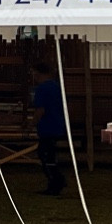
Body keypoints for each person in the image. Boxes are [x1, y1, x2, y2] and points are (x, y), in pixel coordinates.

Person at [31, 60, 67, 195]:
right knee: (49, 153)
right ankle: (56, 180)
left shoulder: (41, 89)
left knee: (45, 155)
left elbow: (40, 109)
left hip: (47, 126)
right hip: (57, 124)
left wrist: (32, 123)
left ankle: (56, 181)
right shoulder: (56, 87)